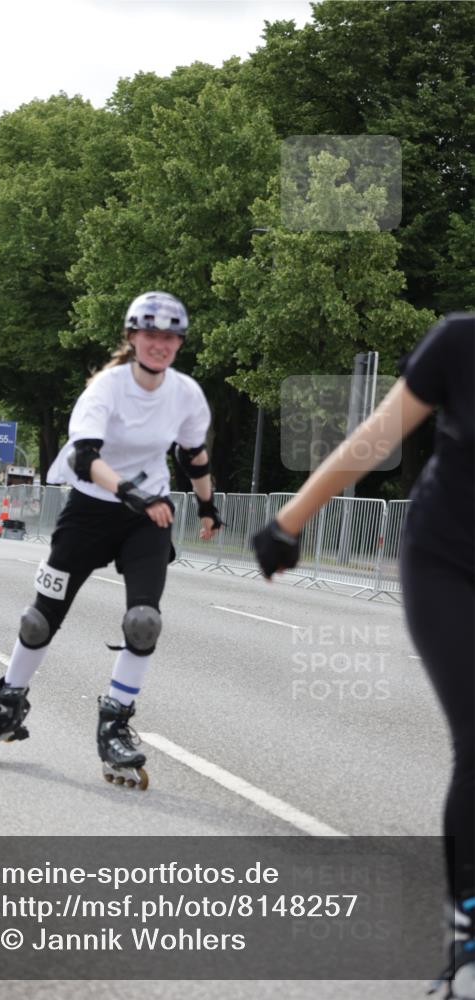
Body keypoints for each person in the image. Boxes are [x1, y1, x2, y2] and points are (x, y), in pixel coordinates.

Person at [253, 313, 474, 1000]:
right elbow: (375, 436)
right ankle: (466, 935)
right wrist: (289, 521)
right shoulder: (460, 343)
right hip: (447, 563)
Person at [0, 290, 223, 789]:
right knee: (37, 619)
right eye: (150, 334)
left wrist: (207, 505)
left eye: (169, 337)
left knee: (143, 621)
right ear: (132, 337)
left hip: (149, 517)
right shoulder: (105, 389)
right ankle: (7, 705)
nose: (159, 344)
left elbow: (193, 455)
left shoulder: (186, 394)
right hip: (91, 509)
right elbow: (82, 456)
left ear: (178, 342)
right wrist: (129, 491)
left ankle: (114, 724)